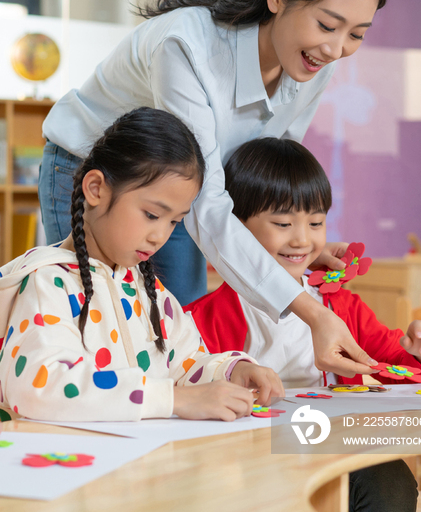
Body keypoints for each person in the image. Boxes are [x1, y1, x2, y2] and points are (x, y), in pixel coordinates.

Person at [38, 0, 389, 379]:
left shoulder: (312, 61)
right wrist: (314, 312)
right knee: (100, 329)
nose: (336, 48)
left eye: (356, 35)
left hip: (190, 193)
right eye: (327, 24)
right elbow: (208, 204)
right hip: (98, 176)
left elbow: (263, 170)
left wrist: (291, 244)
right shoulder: (185, 46)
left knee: (179, 335)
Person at [184, 137, 421, 512]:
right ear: (236, 231)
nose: (302, 239)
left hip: (333, 441)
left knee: (391, 483)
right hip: (247, 451)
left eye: (316, 222)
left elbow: (397, 366)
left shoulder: (340, 303)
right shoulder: (205, 315)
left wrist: (420, 351)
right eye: (282, 223)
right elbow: (189, 384)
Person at [0, 109, 283, 422]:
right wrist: (171, 399)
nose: (160, 236)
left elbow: (185, 363)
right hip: (75, 463)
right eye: (151, 214)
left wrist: (232, 371)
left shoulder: (150, 290)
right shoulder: (48, 283)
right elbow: (40, 388)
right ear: (96, 189)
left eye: (174, 221)